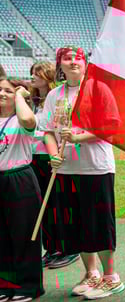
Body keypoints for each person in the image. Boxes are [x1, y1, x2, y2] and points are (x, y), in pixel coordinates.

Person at [43, 47, 122, 300]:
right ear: (60, 65)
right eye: (67, 58)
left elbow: (111, 127)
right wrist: (54, 154)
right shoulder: (55, 95)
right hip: (66, 170)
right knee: (77, 224)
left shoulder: (98, 89)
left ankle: (111, 277)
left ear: (85, 63)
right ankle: (92, 274)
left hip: (95, 168)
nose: (73, 62)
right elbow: (47, 130)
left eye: (78, 58)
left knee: (99, 223)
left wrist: (79, 137)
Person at [0, 76, 44, 302]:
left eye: (7, 91)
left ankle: (28, 285)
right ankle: (5, 284)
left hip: (19, 178)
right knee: (2, 236)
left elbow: (28, 118)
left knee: (24, 233)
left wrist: (19, 95)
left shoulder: (22, 120)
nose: (2, 94)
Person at [29, 61, 74, 270]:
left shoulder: (58, 98)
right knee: (43, 206)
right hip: (33, 157)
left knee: (56, 204)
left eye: (36, 73)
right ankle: (50, 247)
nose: (32, 77)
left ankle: (64, 248)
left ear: (46, 75)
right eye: (31, 73)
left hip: (51, 156)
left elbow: (57, 127)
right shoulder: (32, 101)